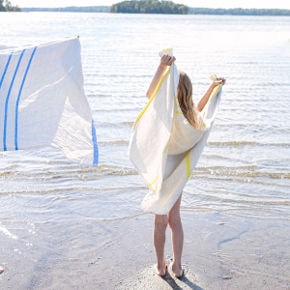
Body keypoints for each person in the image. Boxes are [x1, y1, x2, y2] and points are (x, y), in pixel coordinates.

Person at [146, 54, 226, 279]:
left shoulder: (168, 114)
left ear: (170, 90)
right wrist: (212, 88)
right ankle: (177, 267)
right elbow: (199, 109)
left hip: (163, 170)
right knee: (175, 218)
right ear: (188, 91)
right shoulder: (190, 119)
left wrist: (161, 67)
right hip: (179, 173)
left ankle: (161, 266)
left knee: (160, 220)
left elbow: (149, 94)